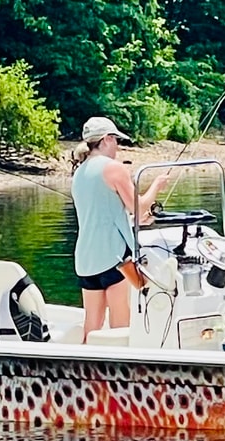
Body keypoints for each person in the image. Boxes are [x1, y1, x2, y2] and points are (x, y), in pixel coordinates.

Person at [71, 116, 169, 341]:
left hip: (86, 259)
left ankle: (85, 360)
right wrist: (156, 186)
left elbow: (102, 213)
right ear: (106, 139)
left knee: (92, 325)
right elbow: (139, 207)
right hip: (114, 258)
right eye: (116, 140)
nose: (117, 146)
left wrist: (132, 220)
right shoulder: (113, 168)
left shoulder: (79, 173)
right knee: (120, 325)